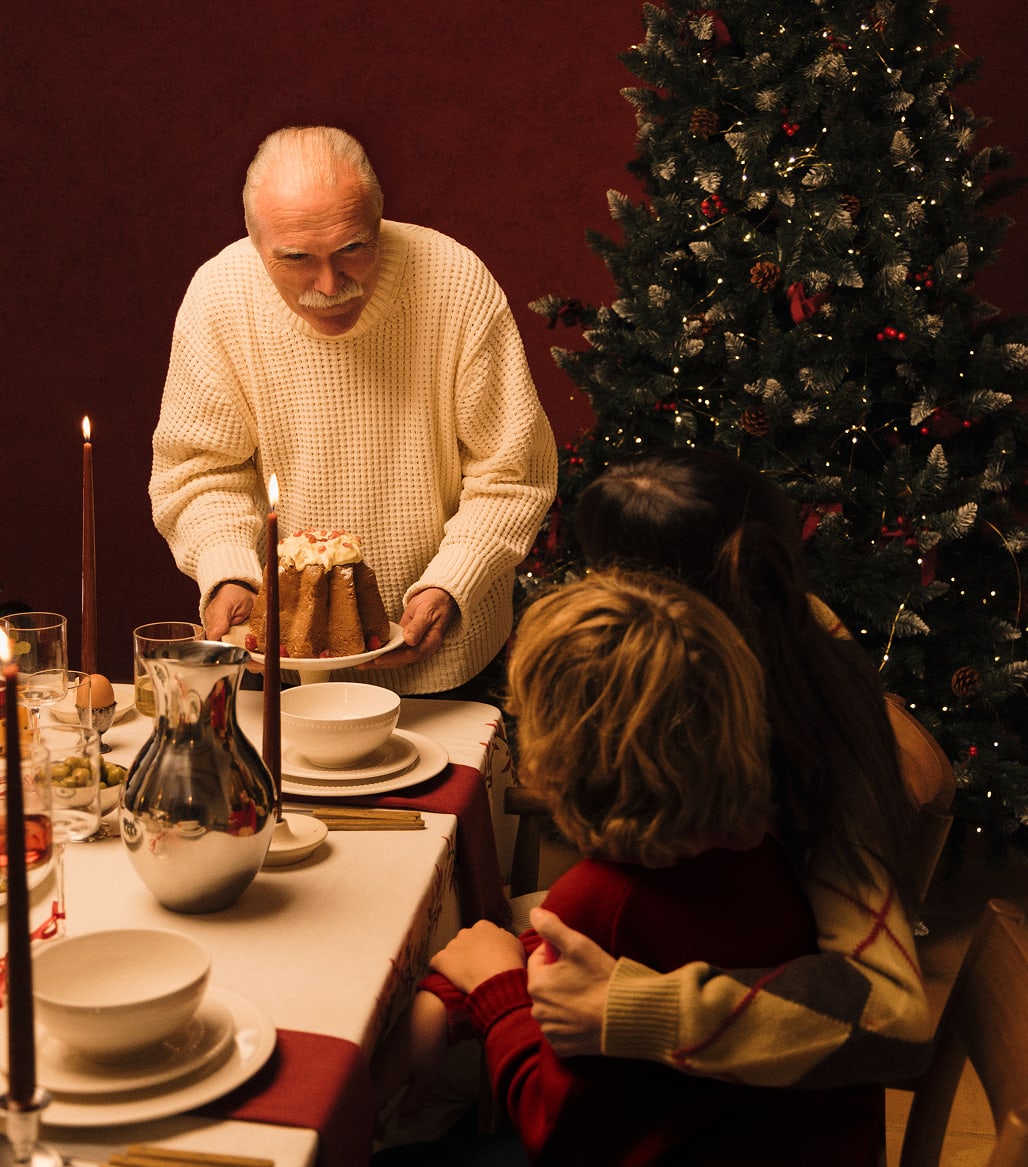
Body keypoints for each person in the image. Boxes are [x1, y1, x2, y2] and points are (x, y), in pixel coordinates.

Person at [374, 570, 885, 1166]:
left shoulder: (600, 901)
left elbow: (558, 1134)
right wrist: (463, 988)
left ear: (555, 758)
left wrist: (495, 995)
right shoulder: (779, 836)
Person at [525, 446, 933, 1086]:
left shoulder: (811, 739)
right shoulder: (786, 625)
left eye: (607, 581)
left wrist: (639, 1008)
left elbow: (895, 1015)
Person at [150, 125, 556, 696]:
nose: (328, 283)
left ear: (379, 220)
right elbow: (199, 472)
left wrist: (451, 583)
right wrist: (228, 571)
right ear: (254, 240)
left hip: (446, 660)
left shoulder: (455, 280)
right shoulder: (220, 296)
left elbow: (512, 474)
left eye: (352, 250)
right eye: (295, 258)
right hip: (282, 657)